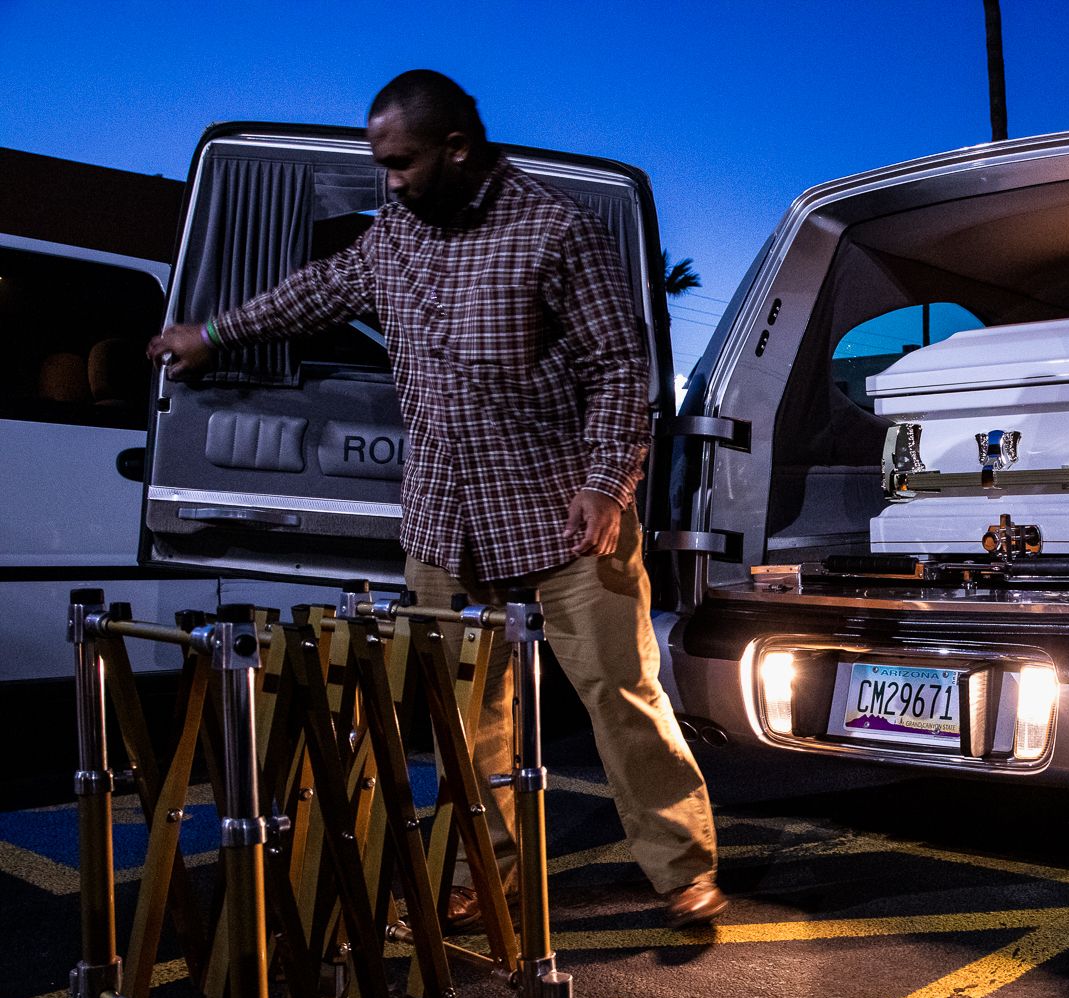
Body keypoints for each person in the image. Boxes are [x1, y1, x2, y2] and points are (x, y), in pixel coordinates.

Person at [148, 70, 727, 929]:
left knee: (622, 692)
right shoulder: (395, 240)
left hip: (565, 513)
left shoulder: (554, 231)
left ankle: (682, 869)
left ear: (456, 149)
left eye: (401, 163)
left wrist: (608, 485)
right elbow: (314, 293)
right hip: (445, 522)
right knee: (466, 718)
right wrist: (213, 333)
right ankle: (478, 872)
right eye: (383, 166)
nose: (389, 182)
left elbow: (619, 369)